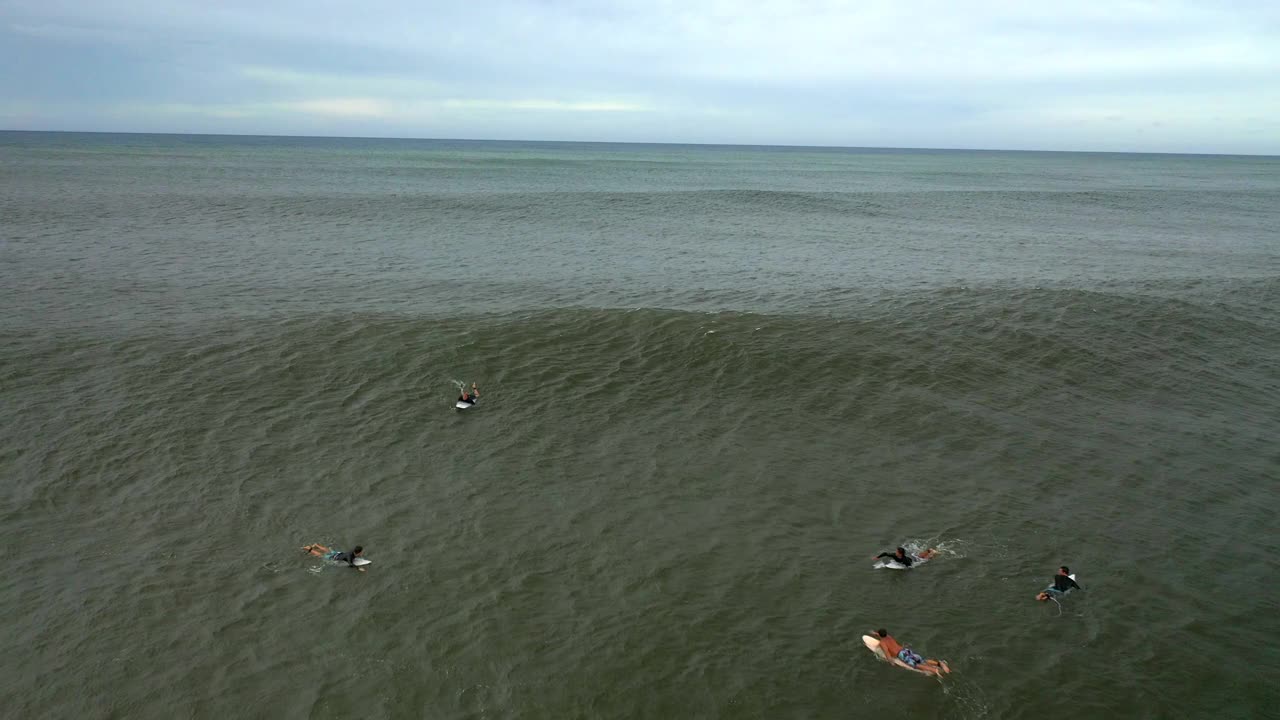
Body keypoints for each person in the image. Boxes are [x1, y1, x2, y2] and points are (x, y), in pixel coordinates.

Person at [872, 629, 950, 676]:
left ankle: (935, 671)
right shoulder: (888, 636)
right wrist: (875, 633)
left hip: (901, 655)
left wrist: (891, 662)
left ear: (879, 635)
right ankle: (939, 664)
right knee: (922, 660)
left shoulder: (882, 642)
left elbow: (887, 653)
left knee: (916, 665)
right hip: (906, 650)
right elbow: (882, 634)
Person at [872, 546, 937, 567]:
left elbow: (910, 565)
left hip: (916, 560)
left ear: (900, 554)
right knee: (920, 555)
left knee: (927, 558)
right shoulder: (894, 555)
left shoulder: (904, 560)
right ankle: (929, 550)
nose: (895, 552)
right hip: (912, 556)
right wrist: (877, 557)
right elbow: (885, 553)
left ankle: (933, 552)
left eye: (897, 552)